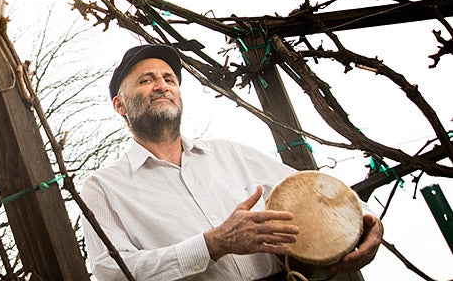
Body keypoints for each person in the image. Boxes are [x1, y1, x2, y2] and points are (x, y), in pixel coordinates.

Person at [81, 44, 383, 280]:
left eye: (169, 79)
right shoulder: (103, 187)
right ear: (119, 105)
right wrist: (213, 244)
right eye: (146, 80)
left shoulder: (230, 153)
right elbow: (112, 271)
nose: (162, 85)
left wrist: (366, 222)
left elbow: (316, 191)